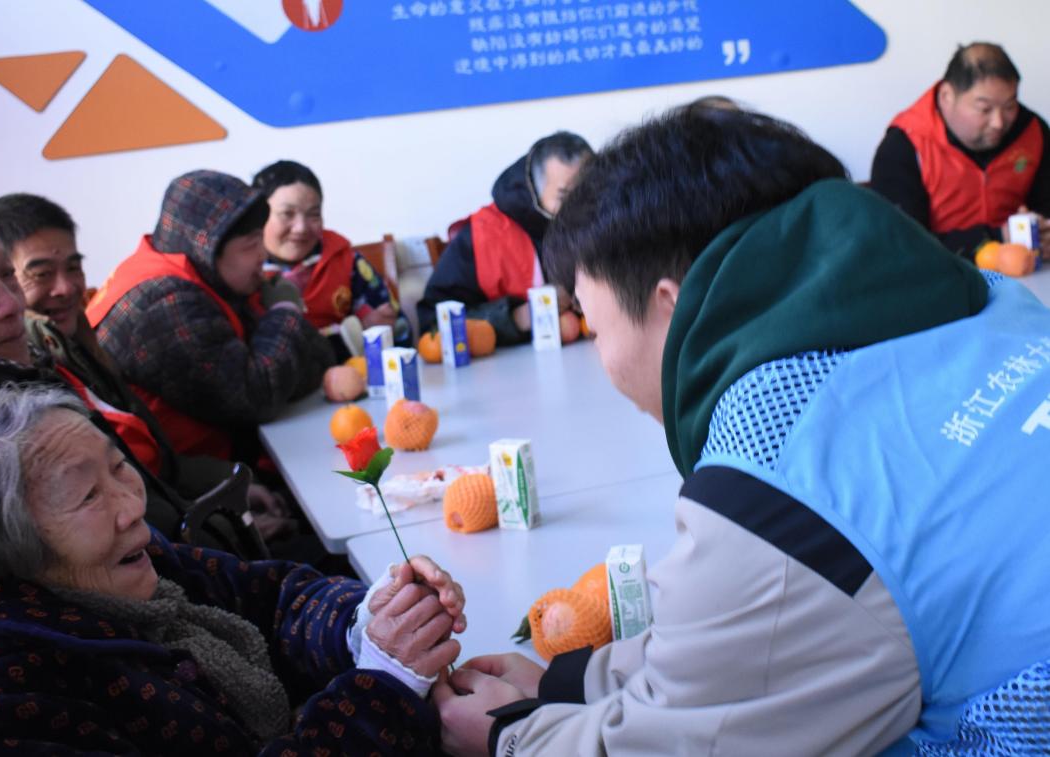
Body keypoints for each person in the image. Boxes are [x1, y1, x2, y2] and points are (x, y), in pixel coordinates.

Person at [435, 104, 1050, 755]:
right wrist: (571, 684)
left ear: (669, 304)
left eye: (593, 323)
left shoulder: (777, 490)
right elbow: (754, 641)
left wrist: (508, 737)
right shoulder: (991, 299)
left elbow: (685, 740)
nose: (598, 354)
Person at [0, 384, 466, 754]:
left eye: (119, 467)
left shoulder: (132, 560)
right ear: (10, 548)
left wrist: (364, 618)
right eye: (87, 496)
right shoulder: (2, 695)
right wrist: (381, 689)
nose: (131, 506)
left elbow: (269, 596)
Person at [0, 202, 270, 558]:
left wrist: (230, 491)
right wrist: (228, 535)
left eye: (7, 275)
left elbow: (154, 472)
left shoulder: (63, 349)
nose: (11, 304)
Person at [87, 170, 336, 462]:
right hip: (188, 479)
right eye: (251, 244)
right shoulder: (166, 302)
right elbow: (257, 396)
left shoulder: (203, 274)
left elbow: (315, 359)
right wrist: (285, 310)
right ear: (208, 247)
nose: (263, 255)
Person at [870, 42, 1050, 259]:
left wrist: (1043, 232)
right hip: (943, 272)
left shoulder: (1032, 131)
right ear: (947, 96)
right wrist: (996, 238)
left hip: (1029, 268)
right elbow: (901, 245)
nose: (999, 122)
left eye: (1009, 106)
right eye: (984, 109)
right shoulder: (905, 146)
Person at [416, 131, 592, 345]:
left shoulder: (610, 217)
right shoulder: (483, 236)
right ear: (536, 190)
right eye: (565, 196)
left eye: (590, 191)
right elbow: (433, 326)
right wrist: (518, 317)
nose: (582, 205)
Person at [253, 160, 412, 356]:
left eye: (313, 214)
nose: (301, 228)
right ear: (259, 217)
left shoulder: (347, 262)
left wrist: (380, 329)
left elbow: (402, 332)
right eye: (287, 213)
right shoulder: (246, 272)